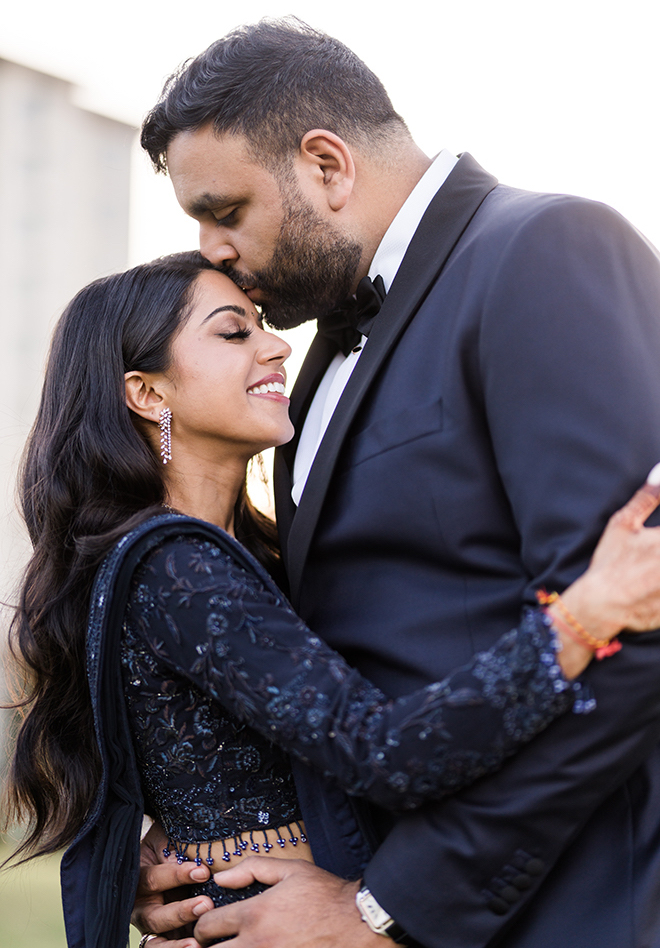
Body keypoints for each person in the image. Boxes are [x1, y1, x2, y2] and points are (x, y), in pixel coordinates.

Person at [133, 18, 660, 948]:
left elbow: (637, 641)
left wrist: (387, 908)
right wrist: (212, 827)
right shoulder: (324, 349)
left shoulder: (541, 250)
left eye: (224, 210)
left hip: (566, 910)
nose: (213, 248)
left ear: (326, 164)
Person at [8, 253, 658, 948]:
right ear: (147, 393)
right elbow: (385, 753)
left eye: (262, 324)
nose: (277, 344)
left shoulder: (213, 558)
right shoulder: (177, 568)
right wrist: (583, 616)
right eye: (234, 333)